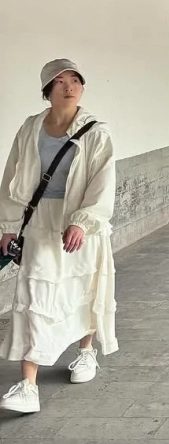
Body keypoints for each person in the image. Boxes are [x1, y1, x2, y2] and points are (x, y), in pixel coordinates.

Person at [0, 60, 117, 414]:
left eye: (76, 80)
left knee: (83, 287)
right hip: (39, 220)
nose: (69, 87)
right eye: (60, 81)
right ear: (47, 90)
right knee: (33, 294)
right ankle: (28, 385)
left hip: (80, 223)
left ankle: (86, 351)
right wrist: (8, 225)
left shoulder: (96, 132)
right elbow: (12, 176)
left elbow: (102, 181)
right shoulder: (30, 128)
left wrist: (83, 221)